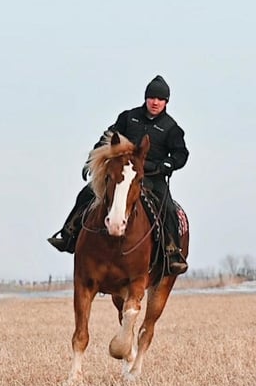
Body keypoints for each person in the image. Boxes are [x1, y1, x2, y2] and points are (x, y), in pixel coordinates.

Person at [47, 75, 189, 274]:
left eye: (160, 99)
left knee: (168, 208)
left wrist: (169, 163)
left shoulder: (171, 128)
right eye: (151, 97)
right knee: (87, 194)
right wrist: (92, 160)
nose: (155, 102)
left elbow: (181, 153)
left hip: (150, 176)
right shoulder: (128, 117)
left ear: (166, 102)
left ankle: (172, 252)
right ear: (145, 98)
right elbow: (107, 137)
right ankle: (69, 234)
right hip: (120, 173)